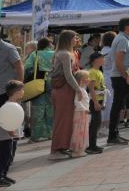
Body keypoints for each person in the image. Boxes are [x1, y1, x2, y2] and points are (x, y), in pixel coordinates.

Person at [107, 18, 129, 146]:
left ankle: (115, 134)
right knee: (118, 105)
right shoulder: (121, 39)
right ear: (126, 26)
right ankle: (112, 135)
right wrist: (126, 77)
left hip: (124, 76)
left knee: (120, 105)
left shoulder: (125, 39)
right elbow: (119, 61)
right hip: (121, 77)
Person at [49, 30, 80, 160]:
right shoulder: (65, 54)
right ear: (68, 39)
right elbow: (68, 74)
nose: (77, 40)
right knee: (63, 119)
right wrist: (78, 89)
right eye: (75, 38)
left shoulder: (64, 53)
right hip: (64, 89)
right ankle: (57, 148)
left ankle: (62, 146)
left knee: (65, 119)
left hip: (63, 88)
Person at [0, 80, 24, 187]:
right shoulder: (7, 106)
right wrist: (11, 132)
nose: (23, 92)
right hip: (5, 137)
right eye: (22, 90)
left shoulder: (15, 104)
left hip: (12, 136)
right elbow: (6, 121)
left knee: (9, 157)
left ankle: (4, 175)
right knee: (3, 157)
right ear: (16, 92)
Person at [26, 37, 55, 142]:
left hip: (38, 83)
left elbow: (27, 67)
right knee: (51, 109)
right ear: (48, 44)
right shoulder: (54, 54)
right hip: (53, 83)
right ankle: (51, 133)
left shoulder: (35, 54)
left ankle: (36, 136)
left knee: (38, 109)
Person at [0, 36, 24, 115]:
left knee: (10, 119)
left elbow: (19, 67)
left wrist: (18, 89)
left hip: (6, 92)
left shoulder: (8, 48)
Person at [83, 52, 104, 155]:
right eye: (101, 58)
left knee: (97, 122)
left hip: (99, 99)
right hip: (94, 100)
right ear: (95, 60)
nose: (103, 60)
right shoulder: (92, 72)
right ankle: (91, 145)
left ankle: (92, 144)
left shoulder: (98, 71)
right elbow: (91, 88)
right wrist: (95, 102)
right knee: (95, 123)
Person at [68, 70, 90, 158]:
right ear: (81, 80)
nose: (88, 79)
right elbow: (77, 102)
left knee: (82, 131)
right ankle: (77, 149)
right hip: (80, 113)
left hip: (83, 113)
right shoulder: (79, 90)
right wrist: (84, 109)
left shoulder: (82, 89)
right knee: (79, 131)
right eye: (87, 78)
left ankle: (80, 148)